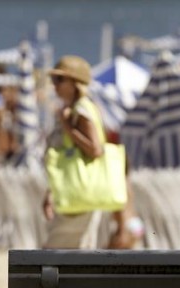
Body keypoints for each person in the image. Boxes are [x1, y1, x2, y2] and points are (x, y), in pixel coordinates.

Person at [42, 55, 127, 249]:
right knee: (73, 252)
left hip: (79, 197)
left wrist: (67, 127)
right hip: (77, 194)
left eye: (59, 80)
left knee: (57, 251)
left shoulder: (81, 110)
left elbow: (95, 149)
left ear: (75, 83)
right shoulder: (75, 108)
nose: (54, 85)